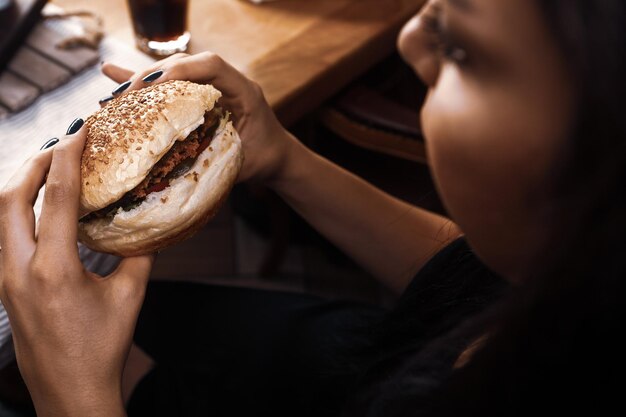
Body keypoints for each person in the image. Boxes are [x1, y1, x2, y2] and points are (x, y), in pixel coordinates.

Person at [1, 0, 624, 415]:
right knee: (156, 317)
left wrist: (74, 396)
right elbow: (477, 283)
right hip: (383, 353)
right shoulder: (565, 278)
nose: (410, 40)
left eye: (461, 49)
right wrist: (286, 160)